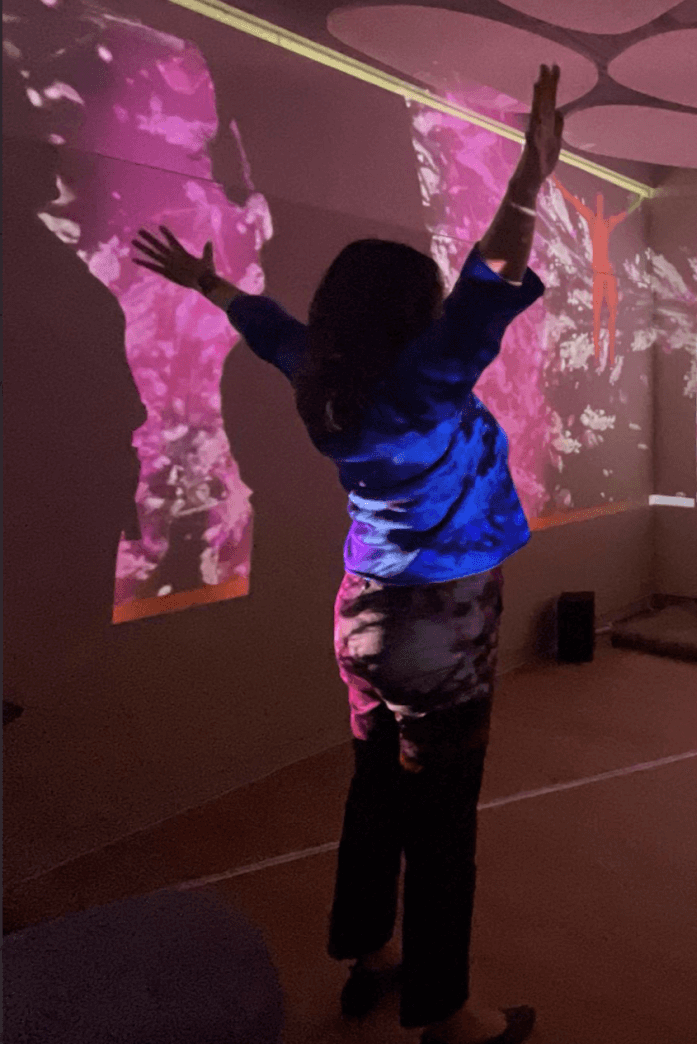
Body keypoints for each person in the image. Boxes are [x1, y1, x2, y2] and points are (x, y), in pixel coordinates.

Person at [131, 65, 571, 1044]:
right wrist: (531, 175)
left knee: (375, 785)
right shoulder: (423, 379)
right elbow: (490, 278)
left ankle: (366, 955)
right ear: (413, 317)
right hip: (439, 626)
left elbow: (273, 332)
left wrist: (210, 283)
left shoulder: (324, 378)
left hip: (362, 615)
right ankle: (448, 1013)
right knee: (442, 820)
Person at [550, 176, 643, 369]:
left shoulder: (608, 222)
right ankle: (597, 353)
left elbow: (627, 212)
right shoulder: (591, 219)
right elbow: (572, 200)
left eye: (601, 203)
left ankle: (609, 356)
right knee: (598, 314)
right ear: (594, 205)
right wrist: (557, 182)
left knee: (612, 314)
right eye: (597, 202)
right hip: (598, 273)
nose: (599, 205)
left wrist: (640, 200)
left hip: (608, 273)